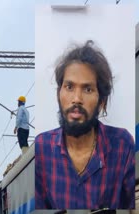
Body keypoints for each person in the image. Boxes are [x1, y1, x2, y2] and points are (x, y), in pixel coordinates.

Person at [35, 40, 135, 209]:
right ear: (58, 94)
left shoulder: (122, 145)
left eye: (88, 89)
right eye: (69, 87)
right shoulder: (42, 148)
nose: (76, 99)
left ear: (102, 101)